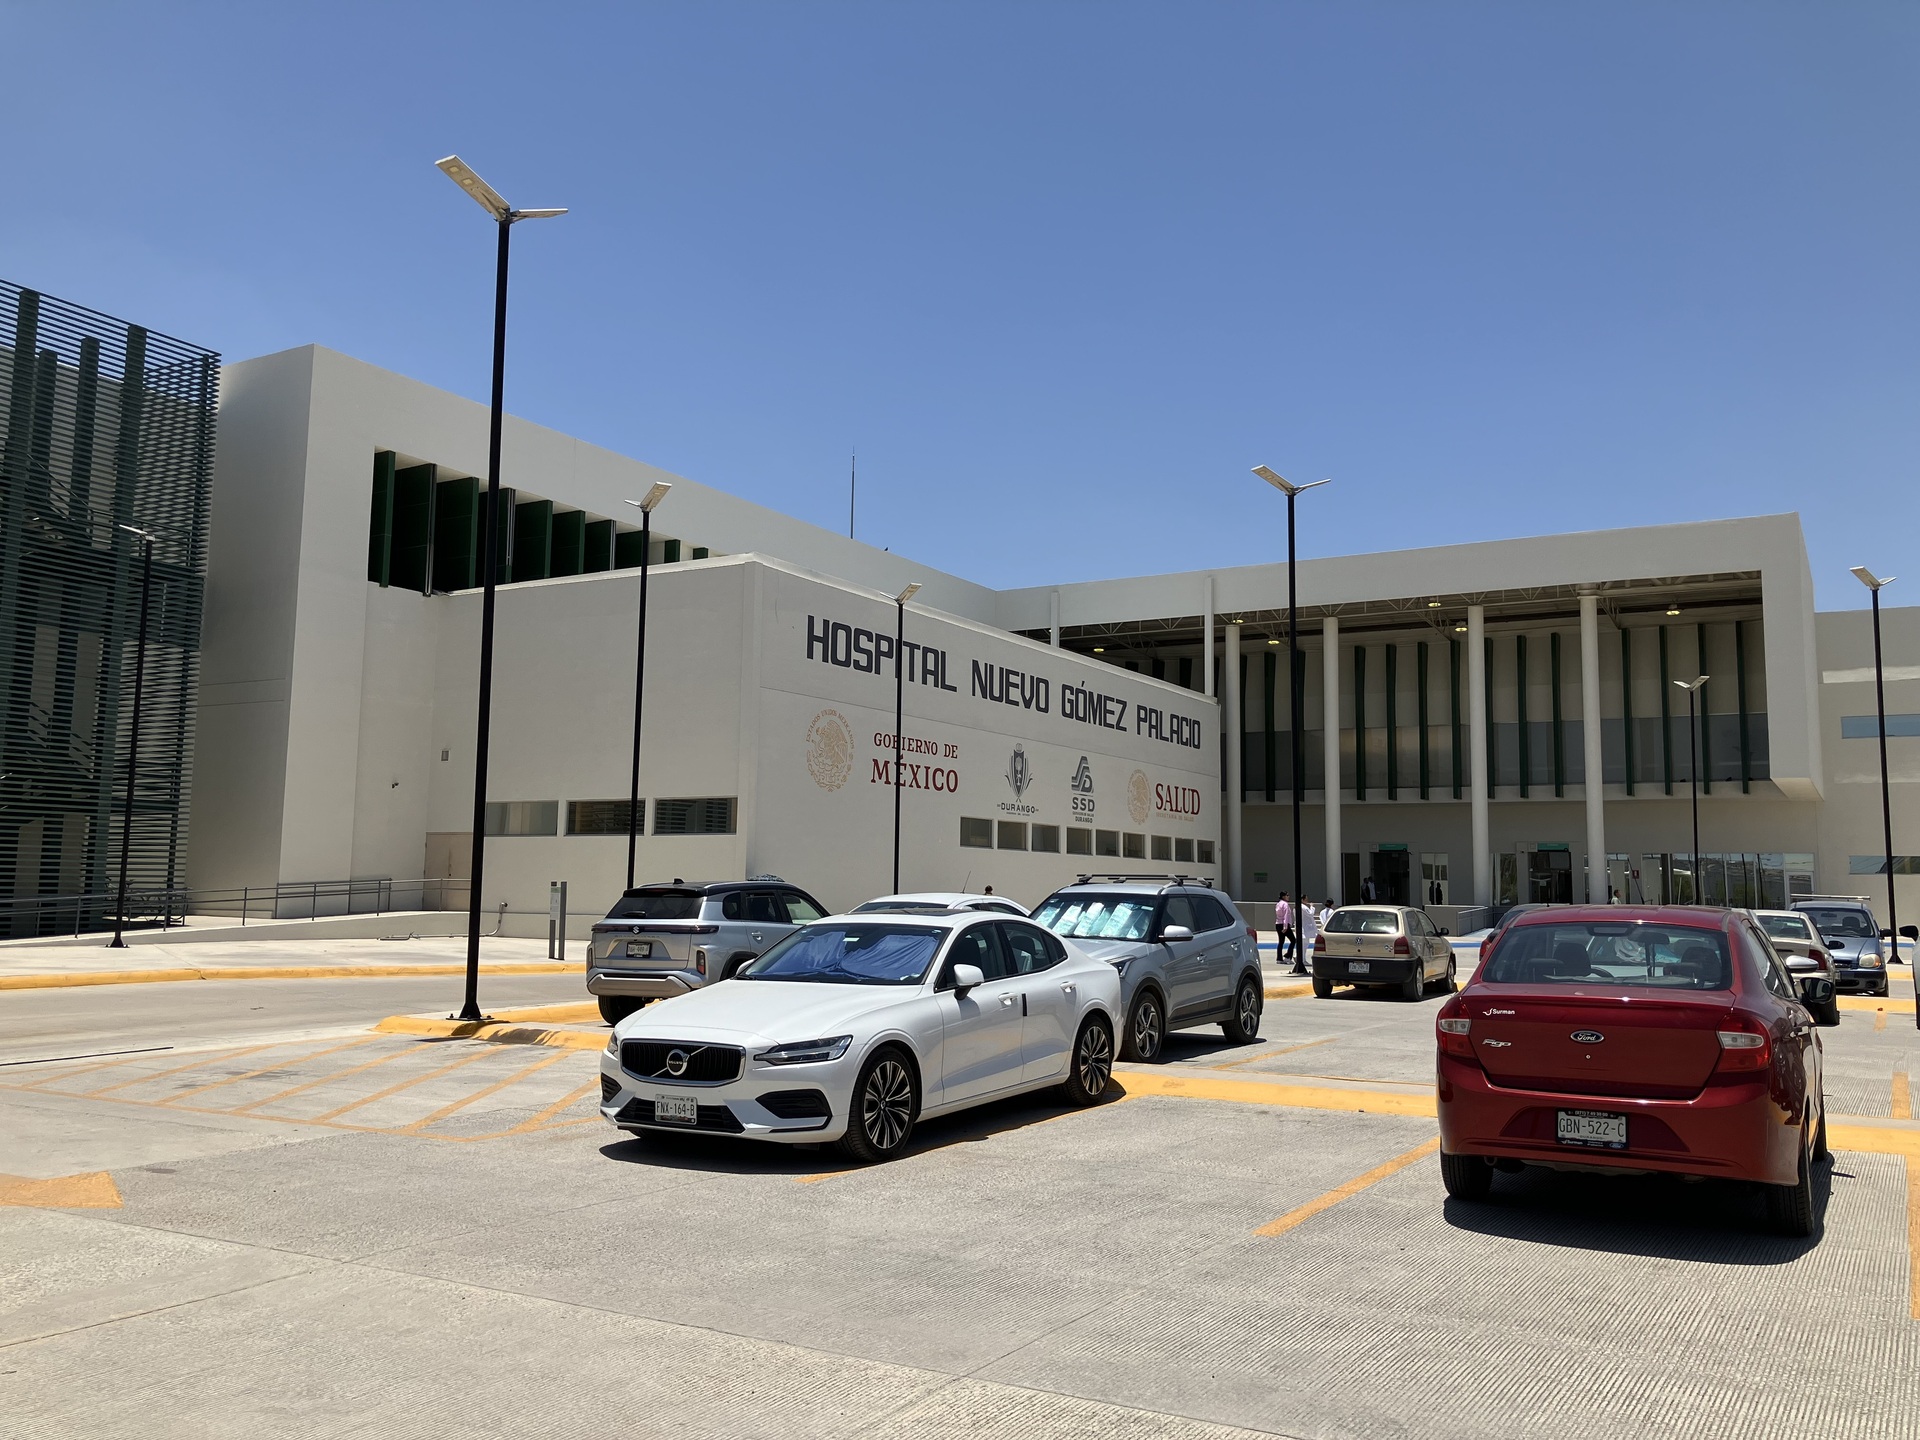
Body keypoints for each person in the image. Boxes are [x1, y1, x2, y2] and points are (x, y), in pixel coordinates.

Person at [1275, 892, 1293, 965]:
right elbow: (1286, 916)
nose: (1288, 897)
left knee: (1281, 941)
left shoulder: (1278, 904)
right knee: (1293, 940)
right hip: (1284, 924)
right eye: (1287, 895)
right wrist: (1285, 926)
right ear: (1283, 896)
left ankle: (1279, 958)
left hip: (1278, 924)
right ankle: (1288, 956)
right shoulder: (1285, 904)